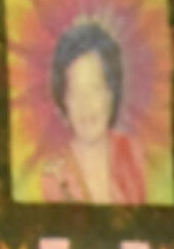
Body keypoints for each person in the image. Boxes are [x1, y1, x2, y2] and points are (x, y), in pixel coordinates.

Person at [34, 20, 149, 207]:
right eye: (75, 91)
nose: (85, 104)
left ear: (111, 94)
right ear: (64, 101)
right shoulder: (54, 175)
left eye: (95, 88)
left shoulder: (133, 154)